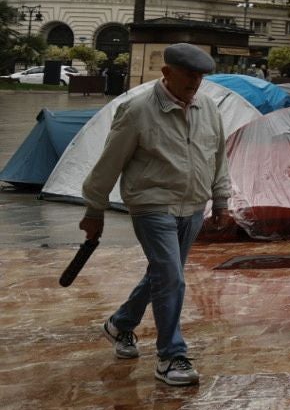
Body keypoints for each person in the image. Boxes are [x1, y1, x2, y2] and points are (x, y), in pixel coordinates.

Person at [81, 43, 232, 387]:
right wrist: (94, 209)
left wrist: (220, 198)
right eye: (189, 75)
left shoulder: (208, 108)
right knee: (172, 276)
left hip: (192, 205)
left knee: (164, 274)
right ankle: (170, 355)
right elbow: (109, 164)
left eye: (201, 76)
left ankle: (120, 324)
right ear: (166, 73)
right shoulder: (137, 111)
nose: (196, 82)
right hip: (151, 205)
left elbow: (218, 156)